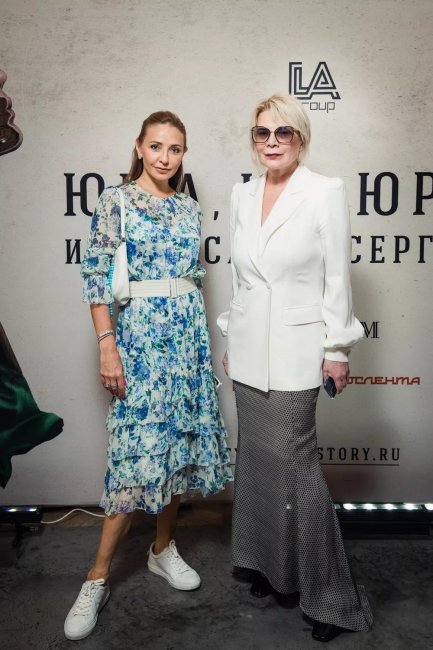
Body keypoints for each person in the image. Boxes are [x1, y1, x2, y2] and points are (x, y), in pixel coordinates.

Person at [64, 110, 233, 641]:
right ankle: (96, 579)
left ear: (184, 154)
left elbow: (193, 280)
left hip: (186, 343)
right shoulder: (115, 201)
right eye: (156, 146)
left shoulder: (188, 207)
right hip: (138, 343)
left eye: (175, 148)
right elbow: (96, 277)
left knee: (176, 450)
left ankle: (162, 549)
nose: (165, 157)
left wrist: (202, 349)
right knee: (134, 459)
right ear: (139, 147)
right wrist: (107, 346)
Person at [218, 94, 373, 643]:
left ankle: (329, 596)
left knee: (298, 473)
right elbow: (240, 278)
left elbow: (337, 277)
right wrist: (233, 332)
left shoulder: (324, 191)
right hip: (248, 354)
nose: (272, 142)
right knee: (259, 465)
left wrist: (338, 349)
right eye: (262, 132)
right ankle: (271, 569)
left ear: (301, 139)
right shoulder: (242, 193)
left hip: (298, 352)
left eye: (283, 132)